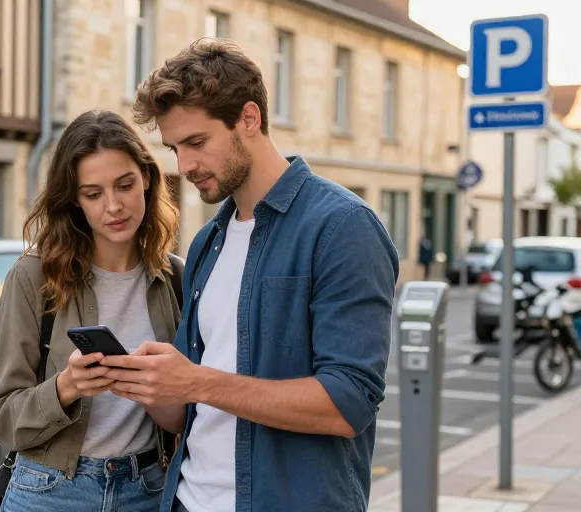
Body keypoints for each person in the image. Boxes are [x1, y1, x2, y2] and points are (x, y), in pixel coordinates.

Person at [98, 38, 400, 512]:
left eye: (197, 142)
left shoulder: (341, 227)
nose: (184, 166)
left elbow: (349, 403)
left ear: (249, 119)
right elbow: (185, 417)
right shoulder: (206, 243)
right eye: (175, 147)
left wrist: (197, 380)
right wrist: (143, 381)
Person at [0, 109, 185, 511]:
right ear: (75, 201)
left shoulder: (176, 278)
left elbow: (184, 419)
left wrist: (149, 388)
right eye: (93, 194)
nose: (114, 206)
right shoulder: (33, 276)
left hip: (147, 490)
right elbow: (2, 416)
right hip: (49, 492)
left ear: (146, 178)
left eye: (124, 185)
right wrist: (67, 387)